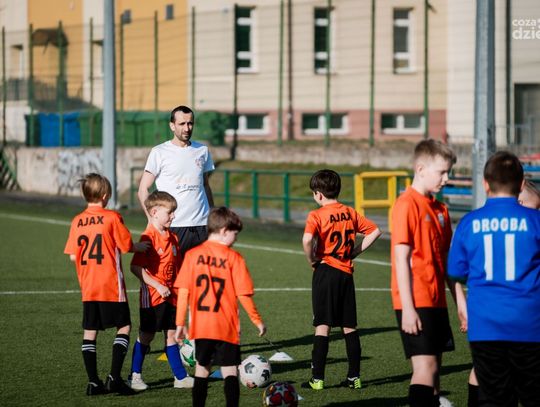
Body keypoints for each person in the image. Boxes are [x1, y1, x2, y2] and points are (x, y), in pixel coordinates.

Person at [448, 151, 540, 407]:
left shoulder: (469, 222)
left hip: (486, 328)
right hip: (529, 325)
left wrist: (462, 306)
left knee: (494, 399)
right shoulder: (535, 221)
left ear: (485, 184)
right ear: (521, 184)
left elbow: (455, 272)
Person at [63, 173, 148, 396]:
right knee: (124, 326)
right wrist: (138, 247)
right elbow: (126, 245)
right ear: (104, 195)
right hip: (110, 284)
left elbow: (72, 256)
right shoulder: (112, 217)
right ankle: (114, 378)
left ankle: (93, 382)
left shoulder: (77, 220)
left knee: (90, 331)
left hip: (88, 286)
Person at [174, 207, 266, 407]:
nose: (236, 239)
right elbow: (243, 294)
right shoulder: (234, 258)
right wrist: (257, 320)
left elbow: (183, 292)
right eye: (235, 234)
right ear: (224, 231)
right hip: (226, 326)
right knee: (230, 370)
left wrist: (180, 323)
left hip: (202, 326)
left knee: (202, 369)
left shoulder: (192, 255)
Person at [390, 139, 458, 407]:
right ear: (420, 169)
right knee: (425, 368)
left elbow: (447, 261)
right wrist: (408, 307)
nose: (446, 178)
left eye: (448, 172)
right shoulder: (406, 204)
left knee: (435, 370)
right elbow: (401, 258)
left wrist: (460, 303)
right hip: (416, 301)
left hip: (436, 300)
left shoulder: (441, 209)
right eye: (442, 172)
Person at [302, 169, 381, 390]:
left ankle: (317, 379)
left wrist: (311, 259)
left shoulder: (316, 215)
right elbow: (375, 231)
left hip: (325, 271)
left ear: (318, 194)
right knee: (349, 326)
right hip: (346, 273)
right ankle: (354, 378)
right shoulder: (349, 212)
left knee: (322, 325)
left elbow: (307, 239)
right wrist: (354, 252)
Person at [128, 191, 194, 391]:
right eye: (170, 212)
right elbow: (135, 267)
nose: (173, 216)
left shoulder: (173, 237)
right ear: (154, 212)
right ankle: (134, 376)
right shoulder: (148, 237)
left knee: (172, 335)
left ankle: (180, 377)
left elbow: (179, 268)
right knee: (146, 335)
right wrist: (157, 285)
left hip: (171, 296)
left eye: (174, 212)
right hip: (153, 297)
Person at [138, 105, 215, 255]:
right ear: (172, 126)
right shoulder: (159, 152)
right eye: (182, 124)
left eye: (190, 123)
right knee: (172, 269)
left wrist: (212, 214)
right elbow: (143, 190)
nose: (187, 128)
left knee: (202, 270)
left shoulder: (202, 151)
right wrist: (152, 219)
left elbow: (205, 185)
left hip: (202, 226)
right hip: (174, 225)